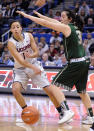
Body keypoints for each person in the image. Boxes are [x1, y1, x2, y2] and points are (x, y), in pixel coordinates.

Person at [16, 9, 94, 125]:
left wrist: (28, 16)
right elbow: (52, 21)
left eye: (63, 17)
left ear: (69, 19)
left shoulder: (67, 28)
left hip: (75, 62)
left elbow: (47, 24)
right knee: (82, 91)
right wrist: (40, 14)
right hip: (84, 61)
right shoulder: (75, 27)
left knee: (53, 85)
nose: (60, 19)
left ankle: (67, 111)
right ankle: (91, 117)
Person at [8, 20, 74, 124]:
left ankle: (62, 112)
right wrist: (33, 67)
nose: (16, 29)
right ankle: (26, 112)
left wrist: (31, 56)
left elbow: (37, 52)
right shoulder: (11, 43)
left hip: (33, 64)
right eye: (13, 27)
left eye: (17, 26)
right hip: (20, 69)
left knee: (48, 90)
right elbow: (20, 61)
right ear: (11, 30)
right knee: (15, 90)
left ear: (21, 28)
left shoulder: (29, 36)